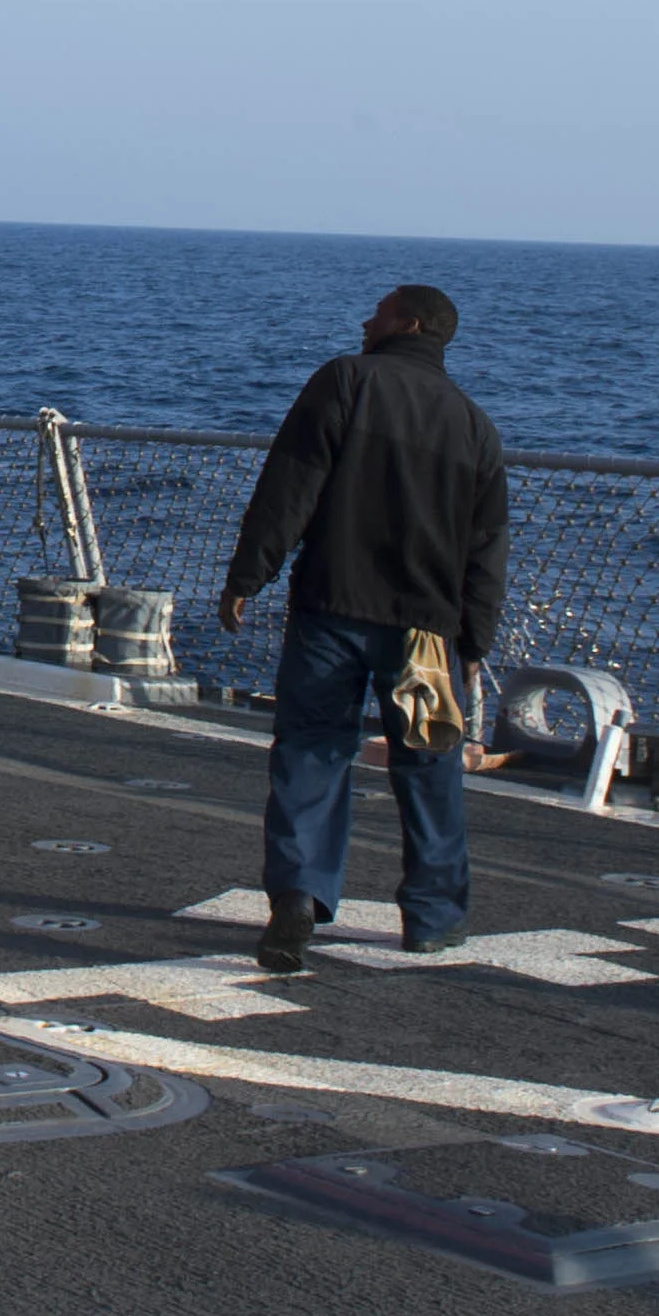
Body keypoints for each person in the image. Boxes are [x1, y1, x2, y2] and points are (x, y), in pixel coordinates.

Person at [217, 282, 510, 970]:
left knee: (312, 751)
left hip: (332, 607)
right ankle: (433, 917)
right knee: (431, 765)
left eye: (377, 312)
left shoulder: (345, 381)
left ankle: (298, 895)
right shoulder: (475, 427)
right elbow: (486, 550)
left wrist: (245, 578)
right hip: (426, 630)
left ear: (407, 323)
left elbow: (290, 486)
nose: (365, 320)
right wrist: (475, 643)